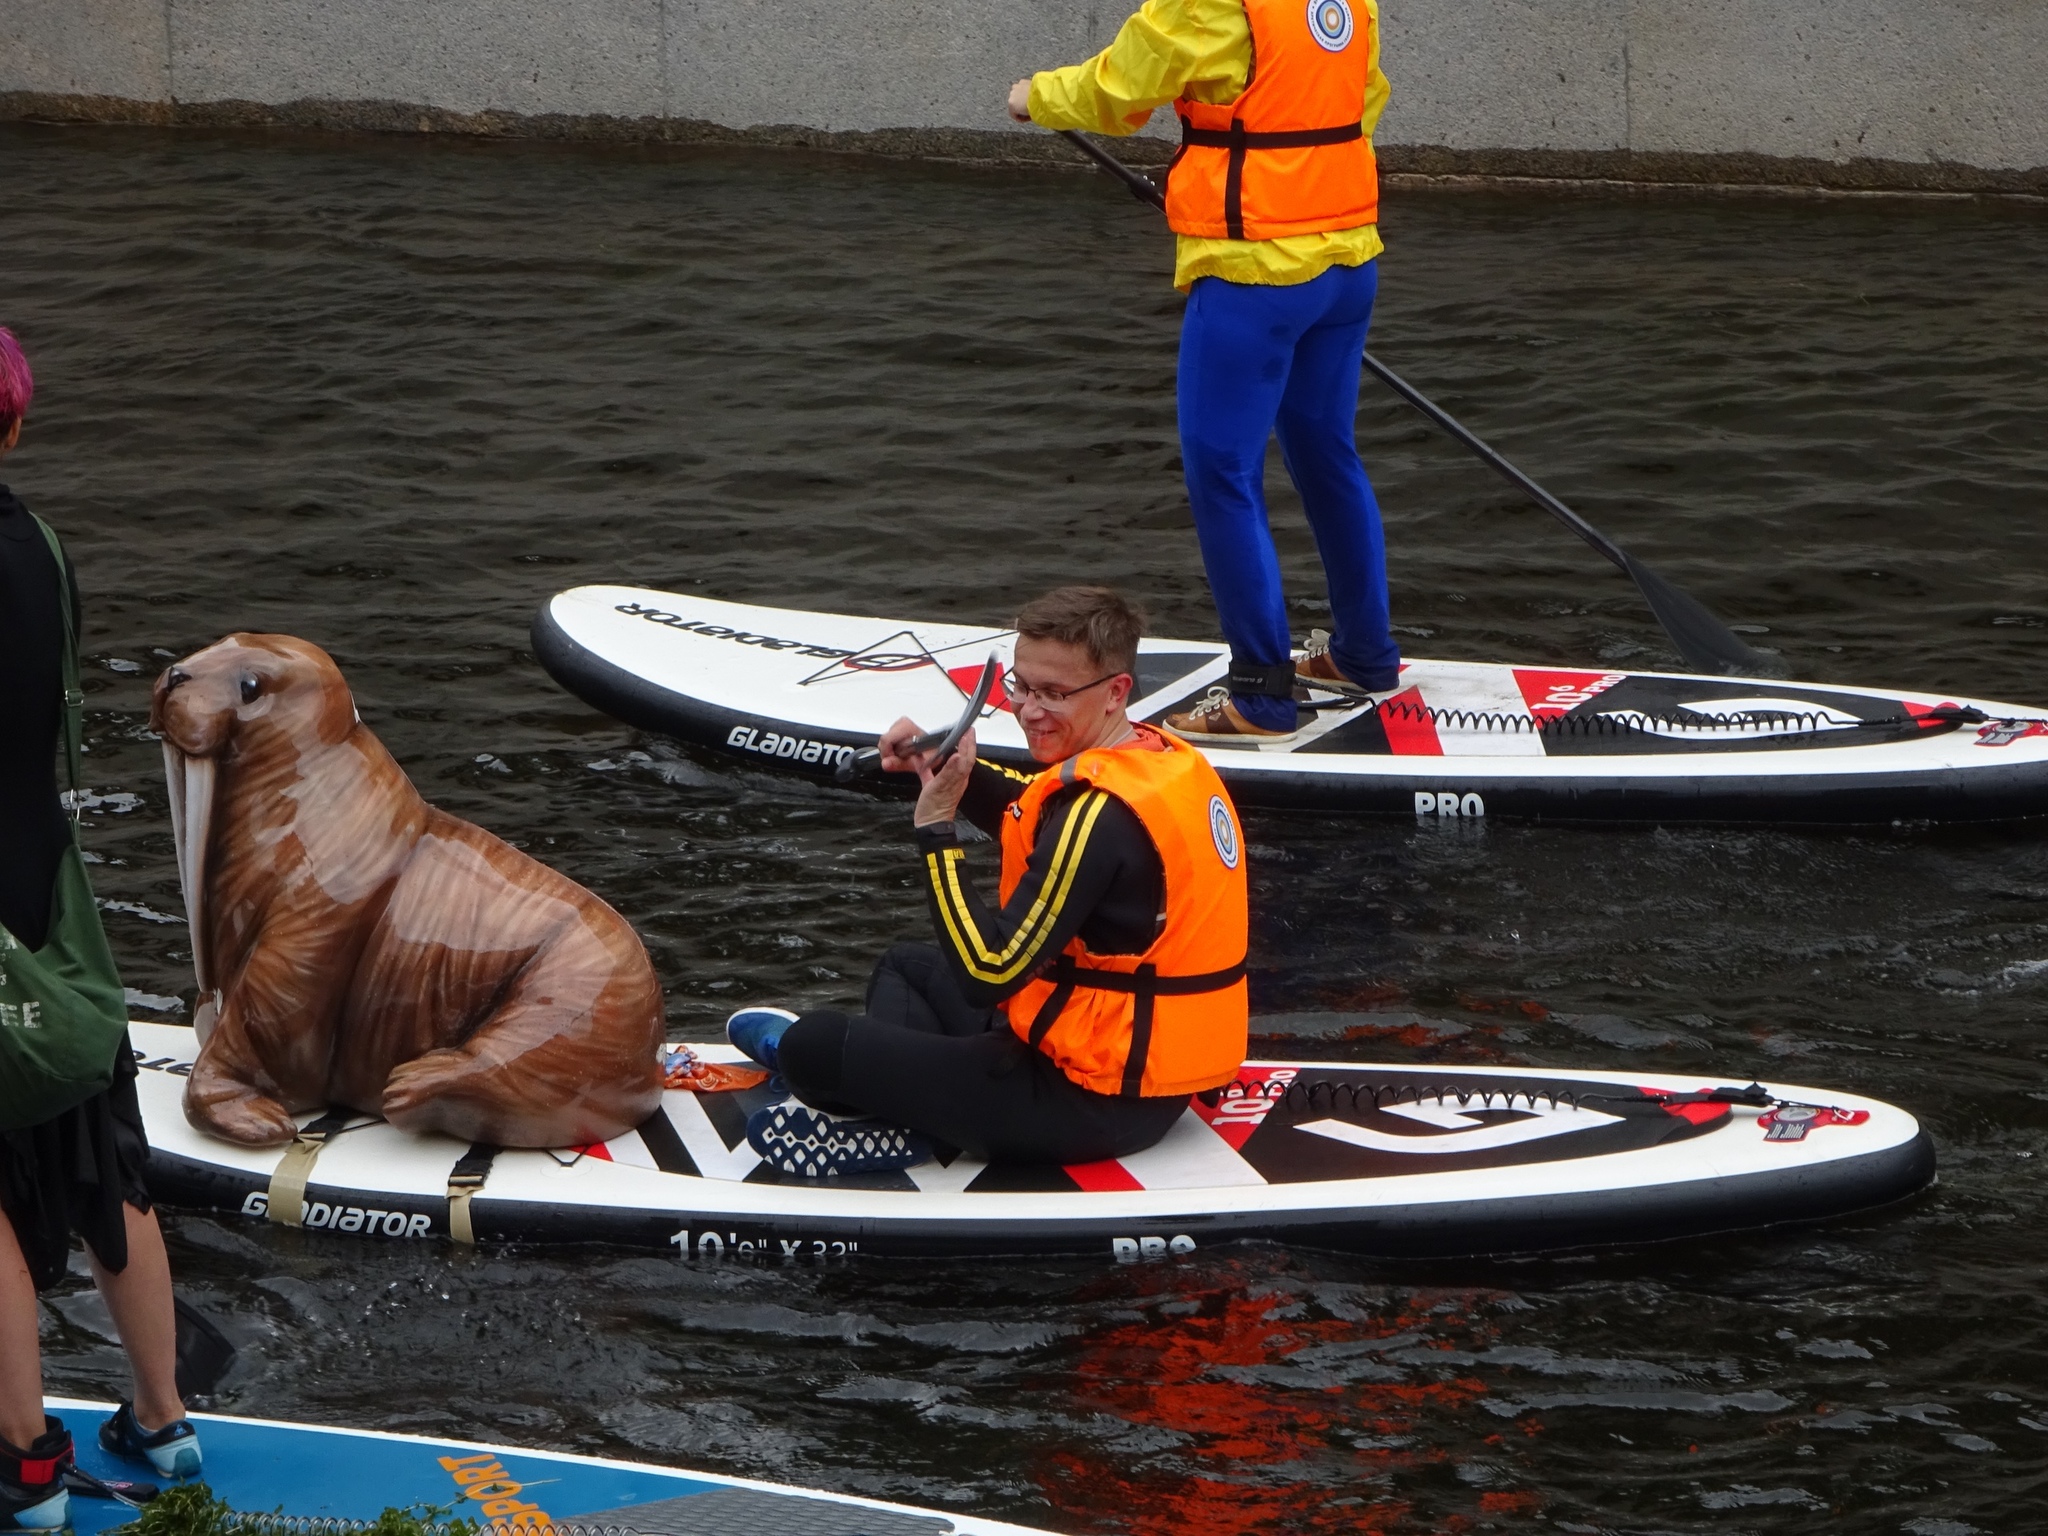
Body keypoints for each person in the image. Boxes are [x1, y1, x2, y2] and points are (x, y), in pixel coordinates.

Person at [726, 586, 1249, 1176]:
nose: (1029, 710)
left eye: (1054, 694)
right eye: (1022, 686)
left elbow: (987, 972)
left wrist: (935, 830)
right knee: (907, 966)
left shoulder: (1098, 818)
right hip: (1112, 1058)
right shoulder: (1161, 757)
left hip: (1091, 1102)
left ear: (1115, 692)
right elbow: (1029, 812)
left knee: (813, 1047)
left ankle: (886, 1104)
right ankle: (918, 1107)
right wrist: (949, 767)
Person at [1007, 0, 1398, 740]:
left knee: (1223, 477)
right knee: (1327, 454)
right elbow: (1365, 97)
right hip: (1348, 259)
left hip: (1254, 271)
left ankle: (1261, 697)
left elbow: (1121, 90)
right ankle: (1365, 655)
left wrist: (1035, 96)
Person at [0, 327, 202, 1528]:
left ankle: (25, 1465)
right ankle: (164, 1425)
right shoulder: (44, 547)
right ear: (15, 424)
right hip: (54, 905)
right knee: (103, 1153)